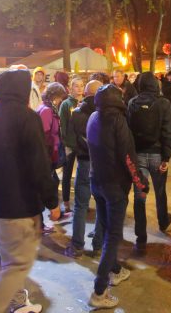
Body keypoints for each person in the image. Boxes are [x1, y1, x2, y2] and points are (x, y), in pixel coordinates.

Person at [0, 69, 60, 313]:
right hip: (16, 207)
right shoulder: (27, 118)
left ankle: (18, 298)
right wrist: (52, 201)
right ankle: (6, 305)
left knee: (7, 256)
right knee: (17, 264)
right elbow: (39, 164)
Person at [86, 84, 148, 309]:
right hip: (114, 186)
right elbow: (128, 157)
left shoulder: (93, 117)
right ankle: (99, 290)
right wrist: (140, 183)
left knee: (106, 228)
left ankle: (114, 270)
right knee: (113, 235)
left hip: (97, 182)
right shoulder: (118, 121)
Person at [126, 71, 171, 253]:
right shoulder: (163, 104)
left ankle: (141, 235)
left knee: (140, 195)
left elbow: (128, 131)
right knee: (160, 191)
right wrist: (166, 156)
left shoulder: (132, 103)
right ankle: (163, 221)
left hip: (138, 155)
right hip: (157, 155)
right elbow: (168, 131)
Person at [64, 80, 104, 258]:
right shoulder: (104, 112)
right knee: (102, 204)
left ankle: (77, 245)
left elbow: (71, 139)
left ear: (86, 93)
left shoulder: (77, 113)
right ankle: (98, 245)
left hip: (84, 162)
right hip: (101, 163)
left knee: (81, 205)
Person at [36, 82, 68, 233]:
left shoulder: (47, 108)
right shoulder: (47, 111)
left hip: (48, 154)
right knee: (47, 185)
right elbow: (44, 134)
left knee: (53, 182)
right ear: (55, 96)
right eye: (60, 98)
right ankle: (42, 221)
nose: (61, 101)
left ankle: (53, 213)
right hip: (46, 155)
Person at [59, 76, 84, 216]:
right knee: (67, 174)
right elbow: (62, 125)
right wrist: (65, 143)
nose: (79, 88)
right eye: (76, 86)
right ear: (70, 88)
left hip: (83, 145)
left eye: (81, 85)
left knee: (83, 175)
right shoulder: (66, 104)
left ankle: (81, 201)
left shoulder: (86, 103)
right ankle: (66, 203)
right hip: (69, 144)